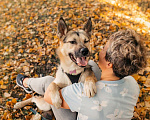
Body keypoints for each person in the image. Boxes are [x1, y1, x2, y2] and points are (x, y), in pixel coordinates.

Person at [16, 29, 147, 120]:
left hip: (77, 113)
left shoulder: (81, 94)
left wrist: (57, 81)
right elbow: (92, 67)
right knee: (91, 66)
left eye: (103, 49)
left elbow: (50, 97)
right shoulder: (133, 84)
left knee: (49, 81)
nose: (99, 50)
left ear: (109, 63)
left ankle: (26, 82)